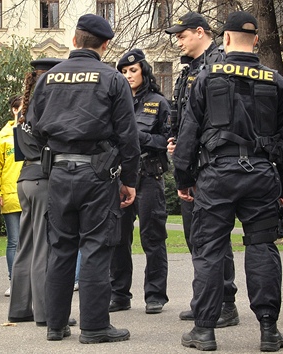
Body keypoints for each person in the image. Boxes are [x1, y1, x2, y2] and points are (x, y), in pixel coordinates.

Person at [173, 11, 283, 351]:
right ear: (256, 40)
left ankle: (204, 330)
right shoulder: (276, 81)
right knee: (262, 249)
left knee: (210, 250)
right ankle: (269, 331)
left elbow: (188, 134)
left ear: (225, 39)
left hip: (217, 175)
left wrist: (183, 180)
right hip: (261, 176)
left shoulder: (206, 77)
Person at [28, 14, 140, 344]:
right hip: (97, 174)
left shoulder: (48, 79)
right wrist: (129, 180)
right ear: (105, 45)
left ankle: (55, 324)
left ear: (74, 41)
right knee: (95, 248)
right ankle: (93, 326)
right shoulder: (112, 79)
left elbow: (32, 128)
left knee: (61, 248)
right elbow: (128, 137)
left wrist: (52, 156)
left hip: (59, 173)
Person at [165, 11, 240, 327]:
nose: (178, 41)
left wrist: (190, 147)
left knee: (215, 239)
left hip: (211, 165)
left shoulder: (221, 65)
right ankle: (205, 301)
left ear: (200, 32)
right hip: (190, 164)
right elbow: (183, 117)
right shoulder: (188, 71)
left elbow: (222, 121)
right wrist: (176, 143)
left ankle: (226, 303)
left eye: (182, 35)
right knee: (197, 238)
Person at [7, 57, 76, 328]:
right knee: (44, 248)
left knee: (26, 245)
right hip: (43, 178)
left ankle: (20, 308)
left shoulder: (26, 109)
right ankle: (46, 312)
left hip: (25, 179)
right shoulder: (47, 107)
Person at [109, 49, 171, 315]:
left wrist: (138, 137)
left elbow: (167, 142)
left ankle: (155, 295)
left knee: (153, 237)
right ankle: (119, 295)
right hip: (121, 178)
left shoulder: (159, 103)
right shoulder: (116, 104)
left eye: (132, 70)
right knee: (118, 238)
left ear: (144, 71)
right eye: (123, 72)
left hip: (149, 176)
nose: (128, 76)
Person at [0, 95, 23, 297]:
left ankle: (33, 280)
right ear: (14, 110)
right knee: (14, 241)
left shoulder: (35, 131)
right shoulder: (3, 136)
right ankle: (14, 281)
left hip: (32, 193)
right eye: (21, 108)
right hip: (11, 194)